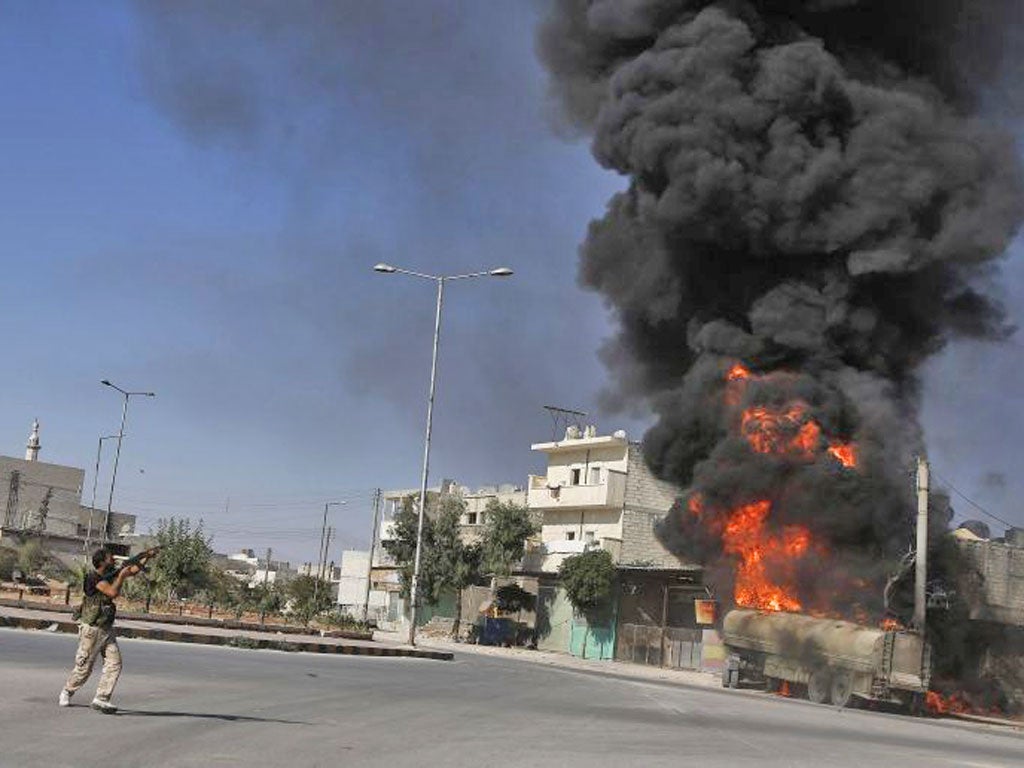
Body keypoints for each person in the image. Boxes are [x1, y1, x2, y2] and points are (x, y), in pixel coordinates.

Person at [58, 547, 141, 713]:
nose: (113, 559)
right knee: (84, 668)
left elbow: (132, 570)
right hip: (93, 628)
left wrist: (145, 557)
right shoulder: (93, 578)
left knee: (114, 663)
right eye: (110, 557)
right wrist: (122, 576)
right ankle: (67, 690)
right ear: (102, 561)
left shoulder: (110, 574)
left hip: (106, 628)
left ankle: (101, 698)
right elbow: (112, 592)